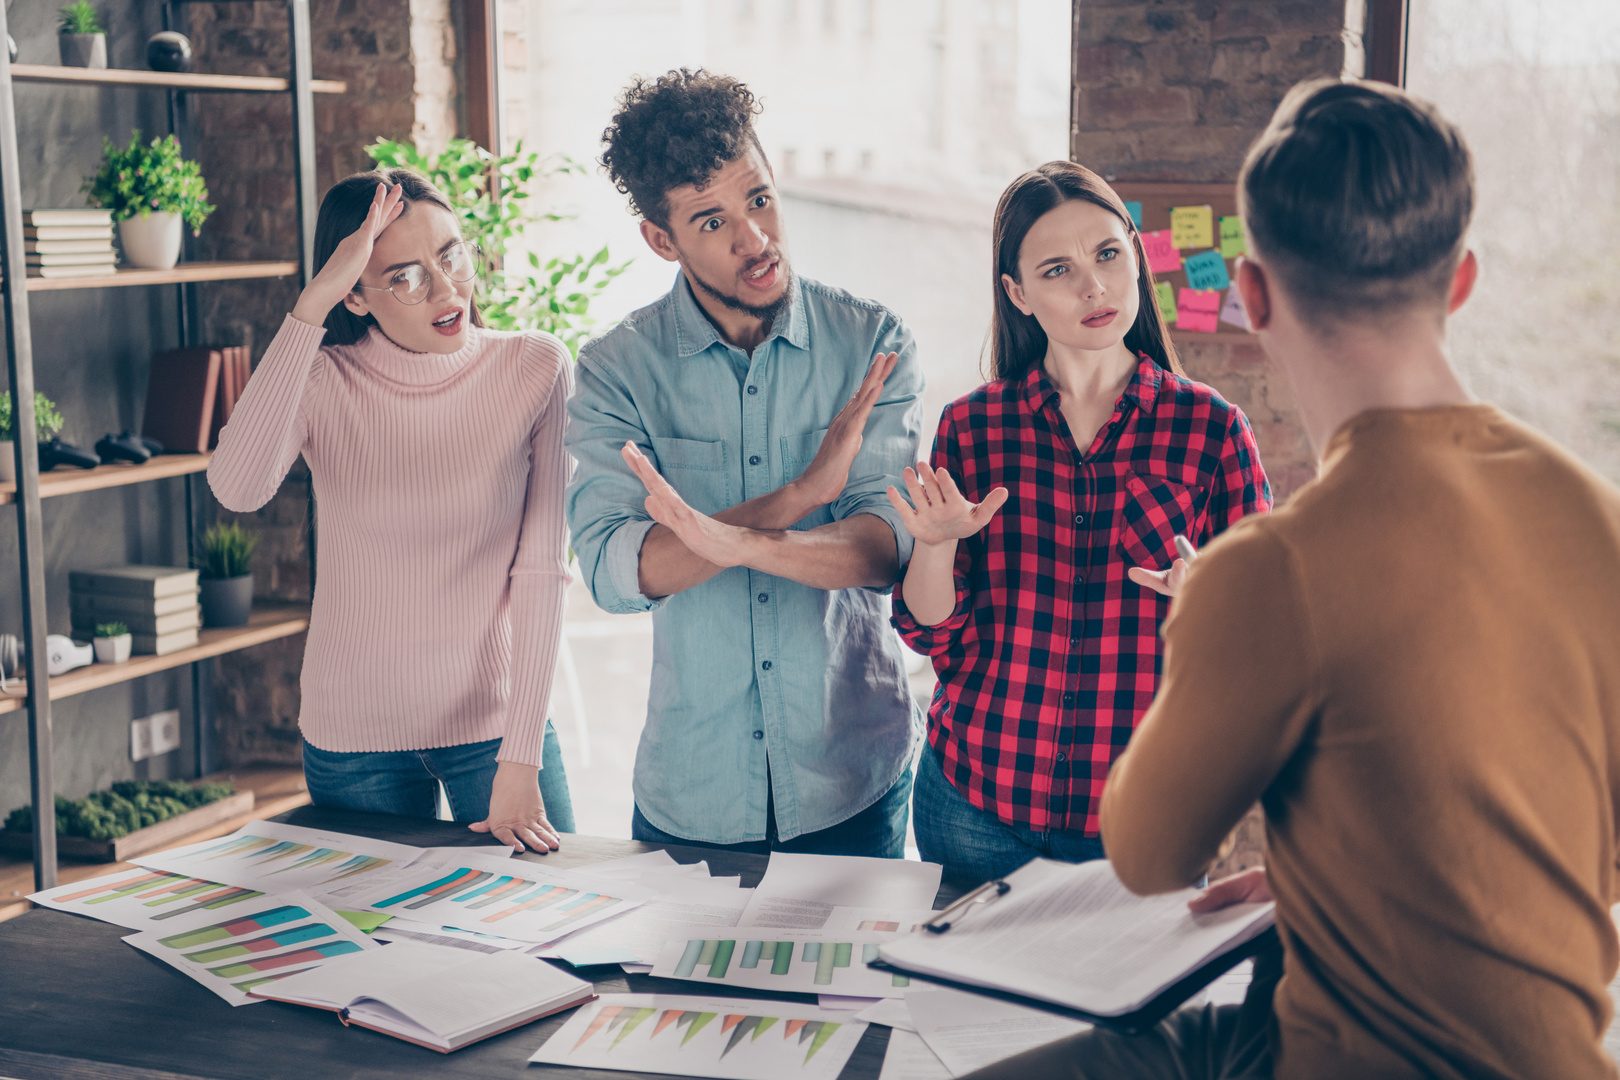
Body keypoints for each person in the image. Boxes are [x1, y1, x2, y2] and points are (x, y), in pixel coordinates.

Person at [971, 79, 1620, 1080]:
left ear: (1256, 292)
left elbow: (1147, 855)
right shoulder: (1596, 513)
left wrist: (1203, 622)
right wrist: (1319, 874)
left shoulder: (1271, 566)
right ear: (1461, 281)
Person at [565, 68, 923, 856]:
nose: (754, 239)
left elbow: (883, 549)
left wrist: (720, 542)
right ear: (662, 240)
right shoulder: (616, 370)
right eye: (712, 221)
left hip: (851, 779)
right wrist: (796, 497)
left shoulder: (872, 343)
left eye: (759, 199)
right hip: (692, 790)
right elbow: (618, 572)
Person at [888, 160, 1271, 885]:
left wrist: (1211, 604)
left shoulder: (1212, 430)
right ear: (1017, 293)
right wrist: (934, 549)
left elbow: (1268, 640)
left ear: (1135, 254)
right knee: (970, 1002)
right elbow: (932, 633)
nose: (1093, 286)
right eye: (1057, 269)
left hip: (1143, 817)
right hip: (975, 806)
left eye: (1106, 254)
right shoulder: (974, 428)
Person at [209, 169, 575, 854]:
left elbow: (543, 571)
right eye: (403, 276)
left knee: (553, 940)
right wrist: (313, 303)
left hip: (497, 732)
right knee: (377, 956)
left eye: (451, 254)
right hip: (355, 740)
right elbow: (236, 486)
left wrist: (521, 754)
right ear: (356, 291)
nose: (445, 289)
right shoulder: (322, 380)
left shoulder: (536, 368)